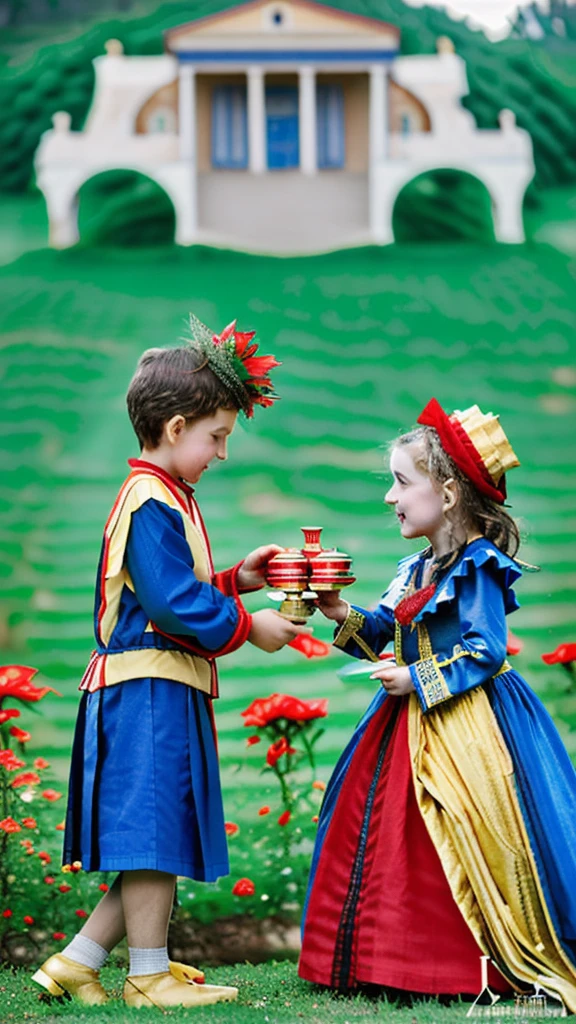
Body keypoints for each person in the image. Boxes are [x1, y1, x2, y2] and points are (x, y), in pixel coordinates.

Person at [32, 315, 309, 1010]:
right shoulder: (151, 499)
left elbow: (170, 593)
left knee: (155, 831)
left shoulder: (163, 496)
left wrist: (239, 581)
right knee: (152, 836)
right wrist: (252, 625)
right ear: (177, 425)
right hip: (144, 689)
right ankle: (147, 976)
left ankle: (77, 961)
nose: (221, 454)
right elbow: (173, 607)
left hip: (158, 685)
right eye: (217, 437)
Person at [299, 398, 576, 1011]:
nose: (390, 498)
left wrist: (418, 679)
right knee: (379, 833)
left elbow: (485, 649)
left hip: (470, 727)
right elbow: (388, 633)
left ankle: (447, 965)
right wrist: (340, 613)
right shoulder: (418, 565)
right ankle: (377, 958)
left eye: (402, 482)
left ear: (447, 493)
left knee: (456, 833)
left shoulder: (475, 567)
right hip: (404, 722)